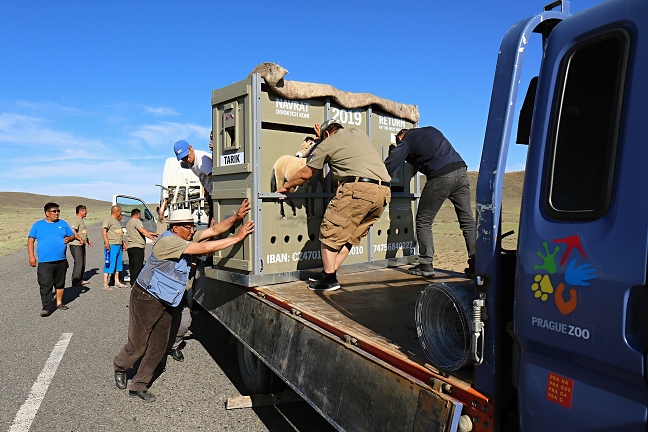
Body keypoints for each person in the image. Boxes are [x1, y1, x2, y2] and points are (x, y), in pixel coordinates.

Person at [113, 200, 254, 402]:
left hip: (168, 299)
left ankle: (139, 385)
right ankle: (120, 366)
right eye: (188, 227)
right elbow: (204, 248)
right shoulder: (168, 241)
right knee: (138, 344)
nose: (192, 230)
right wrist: (237, 238)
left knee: (159, 345)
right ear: (176, 228)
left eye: (193, 226)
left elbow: (213, 230)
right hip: (147, 297)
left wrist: (237, 217)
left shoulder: (184, 235)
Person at [277, 119, 391, 291]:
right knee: (351, 236)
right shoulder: (358, 133)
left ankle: (329, 279)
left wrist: (286, 186)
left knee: (329, 232)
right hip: (383, 193)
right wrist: (321, 138)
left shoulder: (328, 142)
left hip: (358, 189)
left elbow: (306, 174)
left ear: (327, 133)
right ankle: (328, 273)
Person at [383, 126, 476, 278]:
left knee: (423, 221)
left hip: (441, 176)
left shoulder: (406, 140)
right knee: (467, 221)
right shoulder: (431, 130)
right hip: (461, 172)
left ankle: (426, 264)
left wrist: (379, 177)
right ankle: (476, 264)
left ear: (400, 137)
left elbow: (392, 162)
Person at [28, 203, 77, 316]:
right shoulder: (38, 225)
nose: (57, 213)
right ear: (47, 213)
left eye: (58, 211)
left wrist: (69, 238)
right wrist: (31, 256)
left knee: (60, 283)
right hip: (45, 262)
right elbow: (31, 240)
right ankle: (46, 307)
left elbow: (73, 235)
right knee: (45, 284)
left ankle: (59, 303)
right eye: (54, 211)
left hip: (61, 260)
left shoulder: (63, 223)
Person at [173, 139, 213, 224]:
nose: (186, 159)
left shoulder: (203, 161)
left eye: (186, 156)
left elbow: (214, 178)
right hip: (210, 194)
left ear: (191, 148)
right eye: (183, 158)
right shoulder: (191, 161)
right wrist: (206, 192)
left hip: (215, 195)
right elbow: (203, 177)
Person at [126, 208, 159, 286]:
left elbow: (137, 231)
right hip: (138, 247)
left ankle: (132, 283)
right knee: (138, 266)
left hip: (130, 247)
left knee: (132, 266)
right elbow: (142, 231)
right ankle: (137, 284)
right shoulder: (137, 221)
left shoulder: (129, 222)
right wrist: (153, 238)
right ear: (137, 214)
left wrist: (153, 233)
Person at [102, 205, 128, 290]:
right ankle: (105, 284)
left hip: (118, 245)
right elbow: (104, 231)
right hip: (111, 245)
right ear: (116, 212)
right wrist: (106, 243)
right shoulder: (108, 219)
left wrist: (123, 243)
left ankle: (117, 282)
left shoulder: (116, 221)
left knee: (118, 264)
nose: (121, 213)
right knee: (109, 263)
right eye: (120, 211)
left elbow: (119, 233)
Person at [68, 205, 93, 286]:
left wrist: (87, 240)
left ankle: (80, 279)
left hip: (81, 244)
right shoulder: (75, 220)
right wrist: (80, 239)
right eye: (85, 211)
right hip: (76, 245)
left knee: (82, 262)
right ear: (81, 211)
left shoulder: (81, 220)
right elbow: (73, 231)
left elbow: (82, 232)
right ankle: (75, 281)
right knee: (78, 263)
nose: (86, 212)